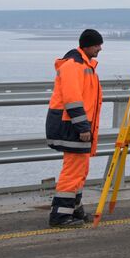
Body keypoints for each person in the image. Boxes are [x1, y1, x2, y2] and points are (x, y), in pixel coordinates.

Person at [44, 29, 105, 227]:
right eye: (97, 45)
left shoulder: (85, 65)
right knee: (73, 171)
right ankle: (60, 216)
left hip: (75, 125)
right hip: (71, 126)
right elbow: (72, 100)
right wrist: (82, 127)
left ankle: (74, 210)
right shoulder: (73, 66)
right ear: (87, 45)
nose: (100, 48)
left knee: (80, 169)